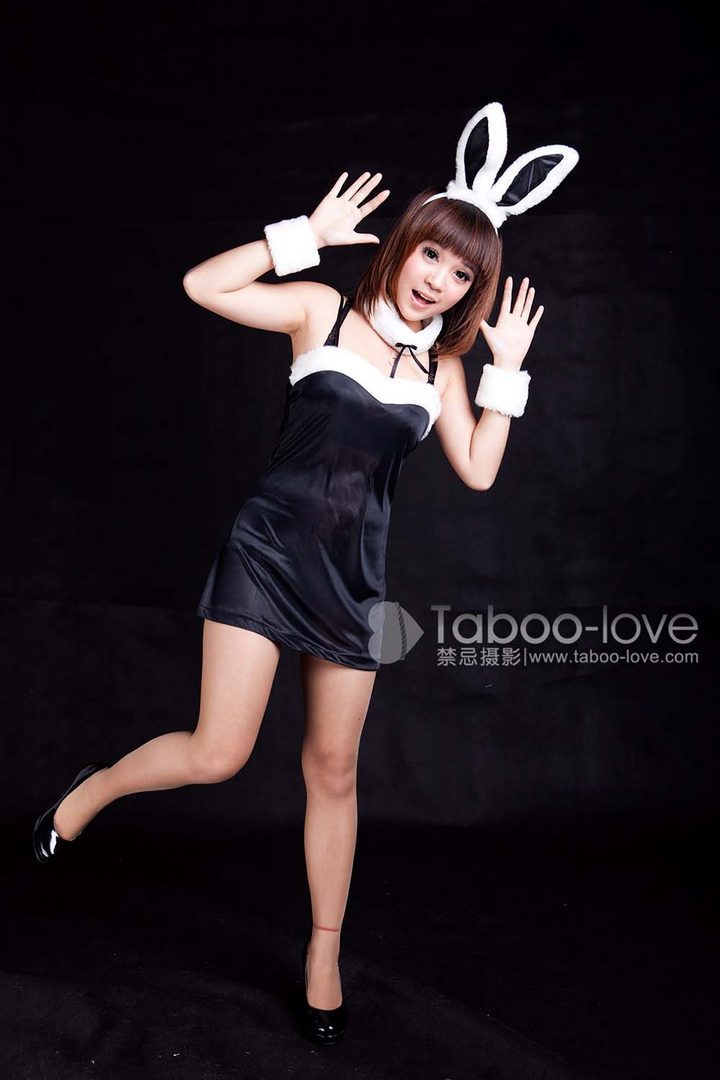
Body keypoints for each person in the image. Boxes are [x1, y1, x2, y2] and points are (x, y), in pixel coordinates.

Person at [33, 102, 579, 1045]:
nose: (440, 281)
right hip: (269, 552)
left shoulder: (444, 369)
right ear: (405, 244)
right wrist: (303, 237)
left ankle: (323, 954)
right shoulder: (322, 310)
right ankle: (88, 794)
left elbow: (480, 470)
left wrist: (508, 373)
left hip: (353, 582)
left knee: (333, 769)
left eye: (462, 274)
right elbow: (203, 285)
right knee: (218, 753)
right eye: (433, 256)